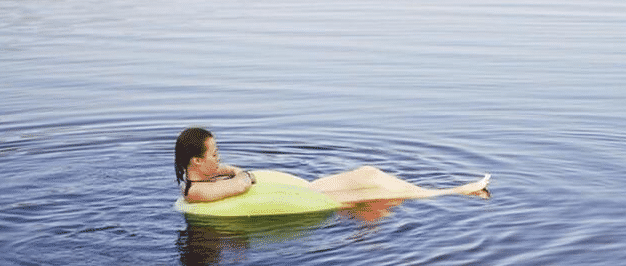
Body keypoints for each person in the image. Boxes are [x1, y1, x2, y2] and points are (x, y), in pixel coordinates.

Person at [175, 127, 489, 204]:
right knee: (372, 186)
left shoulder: (200, 180)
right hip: (305, 199)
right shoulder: (195, 193)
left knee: (369, 175)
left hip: (300, 191)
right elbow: (242, 182)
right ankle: (452, 192)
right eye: (214, 154)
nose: (219, 158)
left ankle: (444, 191)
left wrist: (229, 170)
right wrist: (238, 174)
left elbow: (235, 175)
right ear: (196, 160)